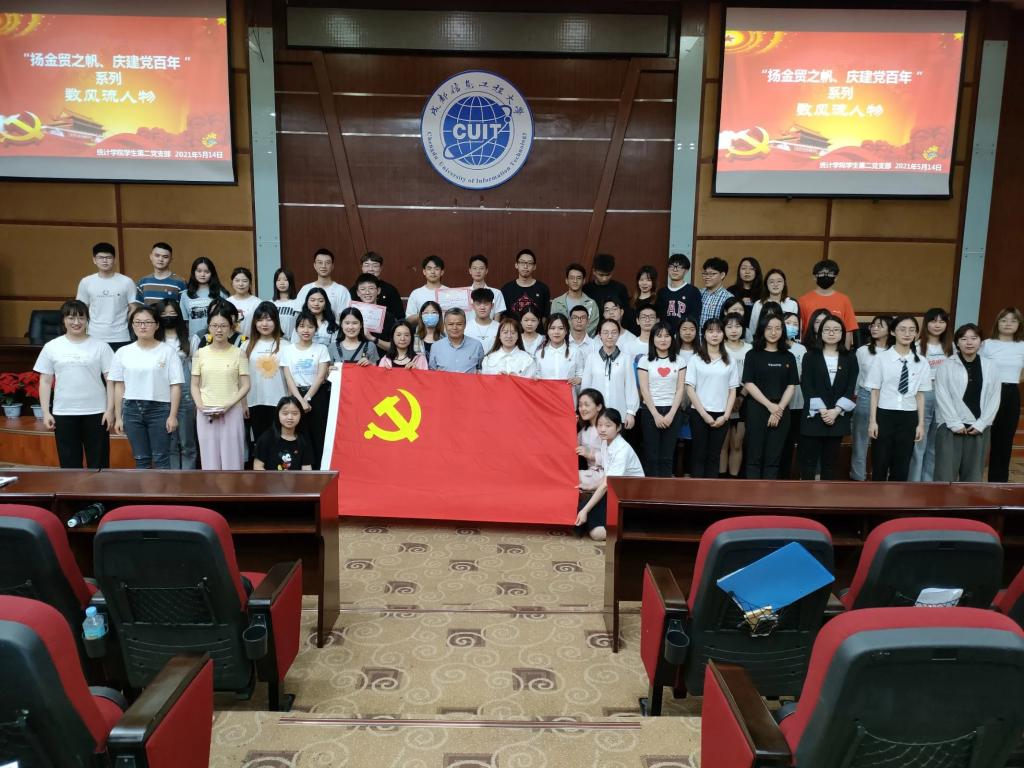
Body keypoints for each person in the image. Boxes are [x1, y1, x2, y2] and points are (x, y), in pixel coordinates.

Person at [34, 299, 114, 468]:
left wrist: (110, 410)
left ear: (87, 320)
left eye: (81, 318)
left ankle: (99, 487)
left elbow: (111, 381)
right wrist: (46, 412)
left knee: (99, 464)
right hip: (64, 412)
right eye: (71, 318)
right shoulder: (52, 347)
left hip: (97, 413)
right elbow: (45, 381)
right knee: (69, 465)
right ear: (63, 320)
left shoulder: (101, 346)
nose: (76, 322)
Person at [108, 304, 184, 469]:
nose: (143, 326)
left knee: (161, 459)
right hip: (131, 410)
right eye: (138, 322)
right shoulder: (123, 352)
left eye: (148, 322)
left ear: (157, 325)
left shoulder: (168, 352)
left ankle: (163, 488)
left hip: (160, 409)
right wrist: (118, 416)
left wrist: (173, 415)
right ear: (132, 325)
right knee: (141, 459)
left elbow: (176, 386)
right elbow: (119, 386)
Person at [867, 315, 932, 482]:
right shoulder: (881, 359)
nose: (907, 333)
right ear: (893, 332)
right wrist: (873, 421)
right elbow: (875, 391)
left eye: (912, 330)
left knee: (902, 466)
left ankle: (896, 498)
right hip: (884, 415)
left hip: (909, 417)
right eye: (902, 329)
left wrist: (921, 424)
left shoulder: (922, 362)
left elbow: (920, 395)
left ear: (916, 334)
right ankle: (877, 498)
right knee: (880, 463)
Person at [934, 324, 1001, 482]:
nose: (969, 342)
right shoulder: (946, 365)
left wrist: (982, 423)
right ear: (957, 343)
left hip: (978, 428)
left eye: (974, 338)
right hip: (950, 427)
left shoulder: (990, 366)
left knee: (973, 477)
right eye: (964, 339)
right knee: (944, 476)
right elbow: (942, 395)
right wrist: (954, 423)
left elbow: (994, 397)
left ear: (981, 342)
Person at [190, 303, 251, 470]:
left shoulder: (239, 353)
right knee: (209, 460)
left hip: (231, 411)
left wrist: (228, 405)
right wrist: (201, 406)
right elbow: (194, 385)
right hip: (205, 412)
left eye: (223, 326)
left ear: (231, 328)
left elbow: (246, 385)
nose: (219, 330)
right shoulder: (200, 353)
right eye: (214, 325)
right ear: (209, 327)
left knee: (233, 460)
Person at [799, 314, 858, 480]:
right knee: (808, 462)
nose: (831, 333)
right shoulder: (810, 356)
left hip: (837, 417)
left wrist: (836, 411)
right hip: (814, 416)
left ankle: (827, 495)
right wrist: (823, 410)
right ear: (820, 332)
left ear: (842, 333)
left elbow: (851, 387)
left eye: (836, 330)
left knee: (830, 463)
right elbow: (807, 385)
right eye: (827, 329)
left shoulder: (850, 357)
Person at [574, 408, 644, 541]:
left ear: (618, 427)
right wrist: (591, 486)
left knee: (595, 532)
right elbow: (607, 475)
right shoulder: (606, 443)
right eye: (599, 425)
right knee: (580, 510)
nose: (602, 429)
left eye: (608, 425)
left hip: (628, 496)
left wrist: (585, 511)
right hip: (615, 490)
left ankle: (631, 531)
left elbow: (607, 484)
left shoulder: (622, 449)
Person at [741, 314, 798, 479]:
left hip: (781, 411)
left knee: (774, 458)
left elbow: (791, 386)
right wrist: (770, 406)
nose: (773, 332)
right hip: (757, 409)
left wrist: (778, 409)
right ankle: (753, 494)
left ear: (783, 331)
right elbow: (749, 383)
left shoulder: (788, 356)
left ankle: (769, 493)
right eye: (769, 328)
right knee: (754, 457)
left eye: (778, 328)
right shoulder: (752, 354)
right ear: (762, 330)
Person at [686, 318, 739, 478]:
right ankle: (697, 490)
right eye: (710, 331)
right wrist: (704, 415)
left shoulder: (730, 360)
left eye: (718, 331)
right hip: (699, 414)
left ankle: (711, 490)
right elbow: (690, 388)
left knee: (714, 456)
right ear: (704, 334)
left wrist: (726, 416)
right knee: (699, 454)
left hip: (722, 415)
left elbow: (732, 390)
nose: (715, 335)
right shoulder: (696, 359)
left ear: (723, 334)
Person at [280, 310, 332, 468]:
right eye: (302, 326)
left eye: (310, 326)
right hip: (296, 396)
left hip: (317, 396)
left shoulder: (321, 349)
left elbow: (321, 377)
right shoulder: (288, 350)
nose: (306, 330)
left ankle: (321, 469)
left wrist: (307, 398)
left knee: (319, 434)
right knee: (299, 435)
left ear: (316, 329)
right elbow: (288, 378)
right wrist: (300, 401)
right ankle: (301, 469)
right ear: (296, 329)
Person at [637, 322, 686, 477]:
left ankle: (665, 488)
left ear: (672, 338)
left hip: (673, 411)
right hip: (650, 411)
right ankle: (651, 489)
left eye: (667, 336)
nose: (663, 339)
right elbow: (644, 389)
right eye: (659, 336)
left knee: (667, 456)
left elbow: (680, 389)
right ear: (653, 339)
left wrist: (671, 414)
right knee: (652, 456)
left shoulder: (680, 361)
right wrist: (656, 415)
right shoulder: (644, 361)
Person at [910, 307, 953, 481]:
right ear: (926, 323)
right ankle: (914, 482)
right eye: (933, 321)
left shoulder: (951, 347)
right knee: (919, 441)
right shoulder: (916, 345)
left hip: (944, 394)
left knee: (935, 443)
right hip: (923, 393)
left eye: (942, 321)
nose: (937, 325)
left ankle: (928, 482)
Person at [981, 307, 1024, 482]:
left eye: (1013, 320)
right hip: (988, 393)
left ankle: (997, 484)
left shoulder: (1022, 346)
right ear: (997, 323)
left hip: (1011, 393)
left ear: (1019, 324)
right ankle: (971, 481)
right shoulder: (986, 344)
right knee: (980, 438)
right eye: (1004, 320)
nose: (1008, 324)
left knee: (1004, 442)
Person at [850, 315, 893, 481]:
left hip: (888, 398)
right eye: (873, 325)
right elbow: (857, 376)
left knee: (885, 441)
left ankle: (881, 478)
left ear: (890, 330)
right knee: (860, 440)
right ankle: (858, 477)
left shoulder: (895, 351)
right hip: (865, 396)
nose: (874, 328)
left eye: (880, 326)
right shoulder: (862, 351)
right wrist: (854, 399)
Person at [156, 298, 198, 469]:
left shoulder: (190, 338)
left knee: (188, 442)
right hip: (161, 394)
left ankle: (189, 477)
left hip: (186, 393)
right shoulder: (154, 339)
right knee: (169, 443)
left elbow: (195, 368)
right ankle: (172, 478)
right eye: (164, 314)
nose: (168, 317)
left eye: (172, 313)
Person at [76, 242, 138, 349]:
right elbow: (81, 308)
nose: (104, 261)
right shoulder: (86, 282)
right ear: (94, 260)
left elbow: (134, 307)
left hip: (121, 336)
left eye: (108, 257)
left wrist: (127, 324)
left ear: (114, 260)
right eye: (100, 257)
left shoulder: (127, 282)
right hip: (94, 335)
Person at [580, 319, 640, 429]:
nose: (609, 336)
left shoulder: (626, 359)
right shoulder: (591, 358)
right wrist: (585, 409)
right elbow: (586, 387)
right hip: (595, 415)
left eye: (614, 332)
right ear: (599, 335)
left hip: (619, 413)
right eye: (605, 332)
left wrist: (631, 412)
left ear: (618, 335)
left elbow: (630, 387)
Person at [245, 302, 289, 446]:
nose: (264, 324)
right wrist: (243, 403)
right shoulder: (246, 345)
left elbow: (290, 378)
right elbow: (241, 378)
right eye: (260, 320)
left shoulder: (286, 345)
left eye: (269, 319)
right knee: (260, 443)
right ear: (254, 322)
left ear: (276, 321)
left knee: (280, 442)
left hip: (279, 402)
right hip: (254, 401)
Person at [797, 259, 856, 347]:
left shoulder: (844, 300)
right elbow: (799, 330)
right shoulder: (803, 300)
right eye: (822, 273)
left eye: (830, 274)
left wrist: (845, 353)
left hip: (837, 349)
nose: (826, 276)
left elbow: (848, 330)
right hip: (810, 348)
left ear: (836, 278)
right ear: (815, 277)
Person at [721, 314, 751, 478]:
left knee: (737, 443)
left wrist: (741, 397)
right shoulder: (719, 347)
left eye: (737, 326)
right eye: (729, 326)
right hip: (722, 397)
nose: (734, 330)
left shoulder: (749, 349)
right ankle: (721, 479)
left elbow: (753, 376)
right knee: (722, 443)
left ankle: (733, 480)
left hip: (744, 397)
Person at [778, 311, 807, 479]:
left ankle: (790, 477)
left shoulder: (801, 349)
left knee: (793, 442)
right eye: (789, 323)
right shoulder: (774, 346)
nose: (792, 326)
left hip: (798, 402)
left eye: (796, 324)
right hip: (778, 402)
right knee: (779, 442)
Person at [253, 396, 314, 471]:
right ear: (278, 414)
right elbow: (257, 467)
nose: (290, 417)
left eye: (295, 413)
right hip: (270, 478)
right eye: (285, 413)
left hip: (296, 479)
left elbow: (306, 470)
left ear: (301, 415)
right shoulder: (266, 438)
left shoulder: (303, 440)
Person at [535, 313, 584, 397]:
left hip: (568, 399)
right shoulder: (539, 354)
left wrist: (579, 380)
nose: (556, 332)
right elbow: (536, 376)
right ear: (547, 331)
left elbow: (581, 374)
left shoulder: (575, 352)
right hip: (546, 399)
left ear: (566, 331)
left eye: (561, 328)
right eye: (552, 328)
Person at [179, 256, 229, 337]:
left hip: (217, 338)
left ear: (212, 273)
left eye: (207, 272)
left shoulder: (221, 293)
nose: (202, 274)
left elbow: (228, 318)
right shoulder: (185, 295)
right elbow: (185, 322)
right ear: (194, 272)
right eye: (199, 271)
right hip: (194, 339)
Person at [296, 248, 350, 321]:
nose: (323, 266)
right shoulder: (305, 289)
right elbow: (299, 316)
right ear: (314, 265)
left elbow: (346, 317)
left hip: (333, 328)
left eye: (327, 263)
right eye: (320, 262)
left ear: (332, 266)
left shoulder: (342, 291)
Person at [747, 268, 799, 343]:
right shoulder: (758, 304)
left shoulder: (792, 304)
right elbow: (753, 328)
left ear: (784, 284)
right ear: (766, 285)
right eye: (771, 282)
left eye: (779, 281)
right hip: (763, 343)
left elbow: (795, 327)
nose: (775, 284)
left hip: (786, 343)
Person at [353, 273, 398, 356]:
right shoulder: (352, 315)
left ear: (378, 290)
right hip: (356, 360)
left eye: (371, 288)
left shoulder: (388, 317)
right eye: (363, 289)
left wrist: (372, 338)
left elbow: (395, 347)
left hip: (381, 360)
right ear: (358, 293)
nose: (367, 292)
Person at [351, 251, 403, 320]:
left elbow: (399, 317)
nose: (371, 269)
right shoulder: (353, 290)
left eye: (375, 266)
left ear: (381, 268)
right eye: (367, 265)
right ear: (362, 268)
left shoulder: (390, 290)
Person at [429, 308, 485, 373]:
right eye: (450, 324)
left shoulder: (476, 345)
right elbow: (432, 372)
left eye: (459, 324)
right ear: (444, 325)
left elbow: (481, 369)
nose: (454, 328)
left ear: (465, 325)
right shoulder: (436, 347)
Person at [550, 263, 599, 335]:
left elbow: (592, 327)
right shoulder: (556, 302)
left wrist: (575, 338)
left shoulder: (591, 304)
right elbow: (553, 324)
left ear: (583, 281)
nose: (575, 281)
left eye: (578, 278)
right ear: (566, 280)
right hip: (561, 340)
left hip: (583, 341)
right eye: (572, 278)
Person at [657, 253, 702, 332]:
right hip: (665, 335)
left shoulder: (693, 291)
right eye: (671, 266)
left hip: (684, 335)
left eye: (679, 267)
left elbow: (695, 318)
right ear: (667, 269)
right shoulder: (662, 292)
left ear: (686, 270)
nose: (675, 270)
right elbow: (659, 318)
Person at [501, 248, 550, 318]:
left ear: (534, 267)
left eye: (529, 263)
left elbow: (545, 317)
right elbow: (503, 316)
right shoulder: (506, 289)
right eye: (522, 262)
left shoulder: (543, 289)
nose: (525, 266)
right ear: (516, 265)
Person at [576, 388, 606, 492]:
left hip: (606, 475)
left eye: (587, 405)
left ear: (599, 407)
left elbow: (614, 458)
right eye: (580, 405)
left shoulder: (605, 429)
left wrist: (591, 455)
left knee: (570, 477)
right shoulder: (583, 431)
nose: (582, 409)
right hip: (591, 474)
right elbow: (570, 448)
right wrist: (571, 424)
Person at [292, 287, 338, 352]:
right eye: (312, 300)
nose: (316, 304)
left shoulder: (332, 324)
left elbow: (335, 349)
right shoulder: (300, 323)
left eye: (320, 301)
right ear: (307, 303)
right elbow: (294, 344)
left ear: (325, 305)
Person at [406, 255, 447, 322]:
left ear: (442, 272)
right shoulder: (416, 293)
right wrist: (425, 314)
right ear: (424, 272)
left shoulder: (449, 292)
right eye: (429, 268)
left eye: (436, 269)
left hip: (444, 329)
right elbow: (408, 320)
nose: (433, 272)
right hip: (422, 329)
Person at [698, 257, 732, 331]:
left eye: (712, 274)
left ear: (722, 275)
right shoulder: (698, 293)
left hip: (716, 337)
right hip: (697, 337)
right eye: (705, 273)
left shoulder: (728, 298)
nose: (707, 277)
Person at [728, 256, 763, 329]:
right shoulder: (731, 291)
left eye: (751, 269)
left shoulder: (763, 292)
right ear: (739, 271)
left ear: (757, 272)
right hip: (735, 330)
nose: (747, 272)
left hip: (758, 330)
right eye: (744, 268)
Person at [227, 267, 261, 339]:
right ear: (232, 283)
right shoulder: (227, 302)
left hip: (251, 341)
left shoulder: (257, 303)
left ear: (250, 283)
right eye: (237, 280)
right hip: (231, 342)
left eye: (245, 281)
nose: (241, 284)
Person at [628, 265, 658, 333]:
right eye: (641, 280)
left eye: (648, 280)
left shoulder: (657, 301)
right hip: (632, 337)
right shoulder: (630, 301)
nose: (644, 283)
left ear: (653, 282)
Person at [272, 267, 299, 339]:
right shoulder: (270, 304)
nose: (282, 283)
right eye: (278, 280)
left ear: (291, 282)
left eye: (285, 280)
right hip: (273, 342)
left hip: (292, 343)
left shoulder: (298, 303)